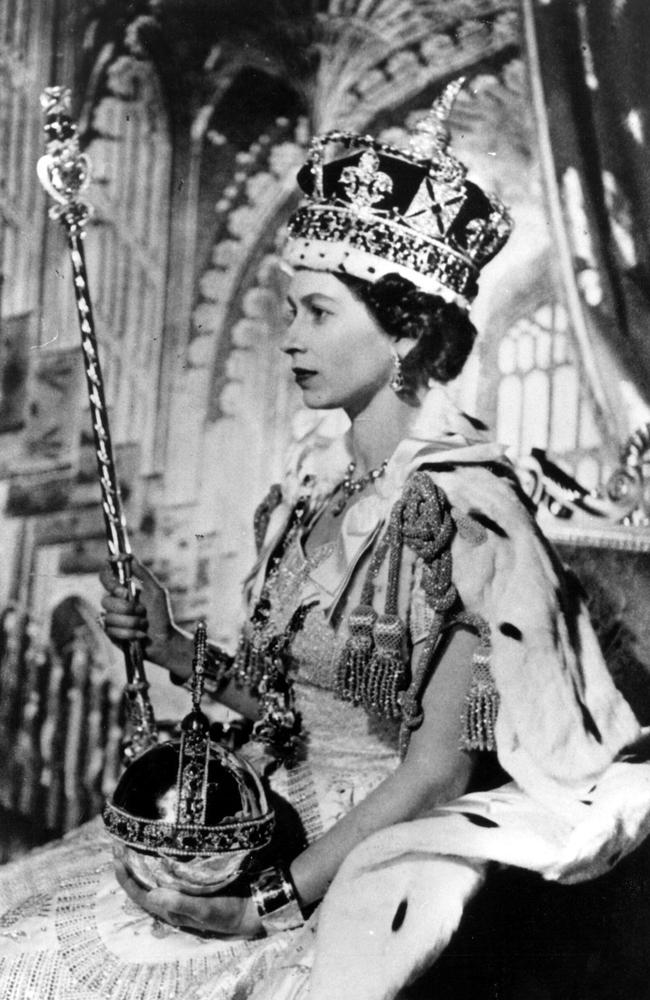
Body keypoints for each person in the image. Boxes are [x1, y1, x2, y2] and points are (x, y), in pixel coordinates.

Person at [0, 80, 649, 1000]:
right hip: (259, 810)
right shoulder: (312, 493)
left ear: (408, 330)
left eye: (317, 312)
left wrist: (263, 906)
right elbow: (278, 708)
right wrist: (174, 644)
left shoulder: (469, 516)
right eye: (290, 311)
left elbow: (434, 773)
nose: (290, 340)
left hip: (358, 856)